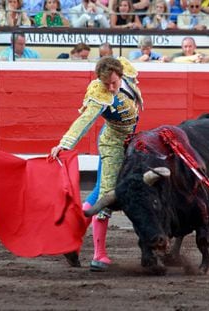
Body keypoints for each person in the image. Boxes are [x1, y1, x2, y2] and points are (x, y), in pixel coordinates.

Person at [50, 56, 143, 272]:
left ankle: (72, 237)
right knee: (106, 195)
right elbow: (85, 121)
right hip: (113, 143)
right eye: (106, 84)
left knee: (97, 192)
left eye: (114, 83)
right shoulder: (99, 93)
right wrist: (64, 144)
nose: (110, 88)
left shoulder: (126, 71)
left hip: (131, 140)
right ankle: (99, 256)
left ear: (121, 75)